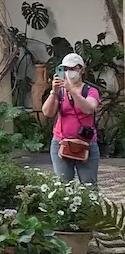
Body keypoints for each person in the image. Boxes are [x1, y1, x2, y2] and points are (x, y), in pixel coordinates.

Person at [42, 52, 100, 185]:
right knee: (63, 185)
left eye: (73, 68)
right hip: (61, 143)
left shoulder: (90, 91)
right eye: (66, 69)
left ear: (82, 70)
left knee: (89, 185)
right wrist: (54, 92)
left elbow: (89, 109)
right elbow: (47, 112)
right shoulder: (60, 91)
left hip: (86, 144)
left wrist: (72, 91)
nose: (69, 72)